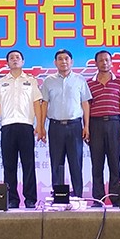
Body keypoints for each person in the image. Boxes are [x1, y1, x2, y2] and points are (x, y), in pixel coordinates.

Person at [0, 50, 42, 209]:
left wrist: (39, 125)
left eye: (17, 57)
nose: (14, 60)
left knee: (28, 164)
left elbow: (36, 103)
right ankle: (12, 199)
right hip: (7, 126)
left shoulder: (31, 81)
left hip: (26, 126)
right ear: (7, 63)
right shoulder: (0, 83)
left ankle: (30, 199)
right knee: (9, 165)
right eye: (11, 58)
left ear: (23, 61)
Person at [39, 49, 91, 198]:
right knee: (57, 163)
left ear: (71, 62)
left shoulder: (80, 80)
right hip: (55, 126)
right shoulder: (48, 81)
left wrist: (86, 126)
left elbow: (85, 103)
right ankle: (59, 196)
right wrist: (41, 127)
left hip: (75, 126)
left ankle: (78, 196)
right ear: (55, 62)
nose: (63, 61)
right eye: (60, 59)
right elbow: (44, 104)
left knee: (76, 163)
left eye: (66, 59)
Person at [86, 50, 120, 207]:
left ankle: (116, 198)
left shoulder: (119, 81)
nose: (104, 63)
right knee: (97, 164)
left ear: (111, 62)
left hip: (114, 123)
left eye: (107, 60)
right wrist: (86, 127)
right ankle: (98, 198)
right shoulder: (89, 83)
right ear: (96, 63)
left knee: (114, 163)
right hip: (95, 124)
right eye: (101, 60)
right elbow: (86, 106)